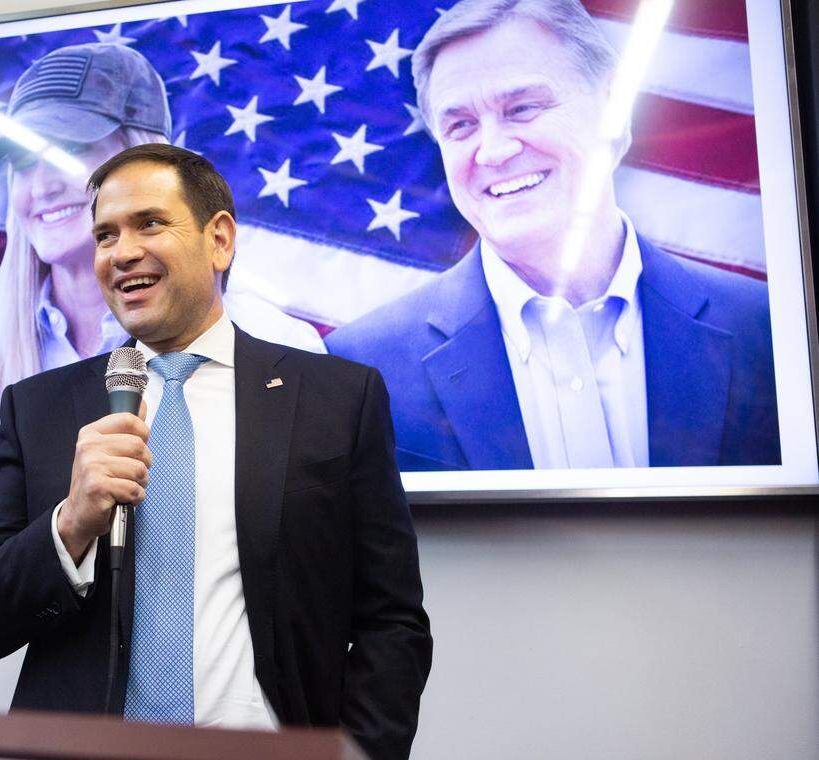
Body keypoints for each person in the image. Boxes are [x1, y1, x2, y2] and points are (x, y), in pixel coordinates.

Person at [0, 143, 432, 759]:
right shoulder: (36, 409)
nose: (121, 253)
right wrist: (70, 524)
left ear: (219, 240)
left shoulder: (337, 398)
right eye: (105, 235)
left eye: (149, 223)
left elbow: (392, 621)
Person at [326, 0, 779, 471]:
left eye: (522, 108)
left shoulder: (769, 330)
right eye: (460, 125)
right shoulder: (359, 368)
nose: (494, 151)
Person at [0, 43, 325, 480]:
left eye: (68, 150)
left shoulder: (276, 346)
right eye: (21, 160)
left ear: (149, 163)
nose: (42, 186)